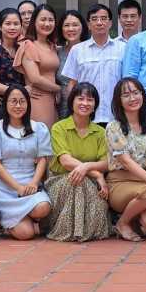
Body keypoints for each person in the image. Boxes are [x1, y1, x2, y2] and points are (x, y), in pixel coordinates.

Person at [0, 84, 52, 240]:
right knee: (25, 234)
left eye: (22, 101)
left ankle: (23, 217)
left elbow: (42, 159)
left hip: (29, 184)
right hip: (3, 189)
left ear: (28, 103)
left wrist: (34, 182)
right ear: (5, 104)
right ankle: (4, 220)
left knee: (43, 208)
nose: (18, 106)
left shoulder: (39, 128)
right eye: (13, 101)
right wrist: (17, 187)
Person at [43, 82, 110, 242]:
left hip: (91, 182)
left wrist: (86, 168)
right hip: (60, 180)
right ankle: (70, 231)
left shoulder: (100, 132)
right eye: (80, 99)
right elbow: (65, 161)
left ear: (95, 106)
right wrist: (96, 174)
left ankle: (84, 230)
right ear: (71, 101)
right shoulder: (59, 128)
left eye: (90, 100)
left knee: (83, 181)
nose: (85, 103)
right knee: (78, 181)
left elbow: (106, 163)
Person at [105, 77, 146, 242]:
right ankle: (122, 223)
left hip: (145, 183)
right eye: (126, 95)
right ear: (119, 100)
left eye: (136, 93)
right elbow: (126, 161)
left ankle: (133, 218)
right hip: (120, 182)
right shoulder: (114, 127)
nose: (132, 98)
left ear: (142, 95)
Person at [62, 3, 124, 126]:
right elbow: (72, 85)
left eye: (103, 18)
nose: (99, 22)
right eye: (94, 19)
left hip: (115, 116)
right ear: (89, 25)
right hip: (86, 116)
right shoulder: (77, 50)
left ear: (110, 23)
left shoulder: (123, 48)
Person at [16, 4, 64, 128]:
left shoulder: (51, 45)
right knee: (41, 133)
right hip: (38, 99)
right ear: (34, 22)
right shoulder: (29, 45)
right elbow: (35, 78)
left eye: (51, 20)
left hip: (53, 100)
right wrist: (59, 89)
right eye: (43, 19)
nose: (47, 24)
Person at [0, 8, 26, 122]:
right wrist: (19, 91)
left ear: (21, 27)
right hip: (1, 106)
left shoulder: (22, 48)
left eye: (16, 24)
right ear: (0, 27)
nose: (12, 27)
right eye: (8, 24)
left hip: (21, 104)